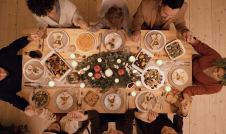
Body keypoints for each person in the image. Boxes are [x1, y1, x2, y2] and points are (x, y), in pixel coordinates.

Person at [0, 31, 45, 111]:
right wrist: (26, 108)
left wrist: (29, 38)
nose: (3, 74)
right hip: (38, 83)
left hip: (36, 61)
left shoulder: (1, 56)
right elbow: (14, 100)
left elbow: (15, 46)